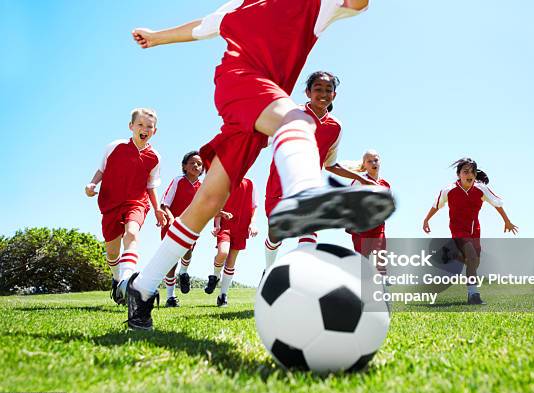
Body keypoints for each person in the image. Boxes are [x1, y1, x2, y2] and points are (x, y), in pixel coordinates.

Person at [126, 0, 395, 330]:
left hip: (262, 109)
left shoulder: (317, 5)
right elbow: (200, 28)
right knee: (297, 120)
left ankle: (142, 288)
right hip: (238, 81)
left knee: (208, 201)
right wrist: (156, 37)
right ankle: (306, 194)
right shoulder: (240, 5)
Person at [263, 71, 376, 268]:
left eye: (328, 90)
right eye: (318, 89)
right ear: (307, 92)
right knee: (275, 235)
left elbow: (330, 164)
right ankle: (268, 270)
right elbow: (264, 138)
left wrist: (362, 179)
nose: (323, 94)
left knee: (308, 238)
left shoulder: (336, 127)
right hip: (279, 187)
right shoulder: (292, 114)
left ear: (334, 95)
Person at [84, 108, 166, 305]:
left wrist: (156, 209)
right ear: (131, 127)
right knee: (112, 252)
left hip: (136, 203)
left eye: (149, 126)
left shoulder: (155, 157)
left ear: (154, 131)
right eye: (140, 125)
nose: (144, 129)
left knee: (132, 233)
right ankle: (116, 278)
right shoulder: (115, 146)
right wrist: (92, 184)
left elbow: (151, 185)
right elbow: (101, 170)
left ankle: (126, 280)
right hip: (110, 203)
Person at [422, 157, 518, 304]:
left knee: (474, 262)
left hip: (474, 230)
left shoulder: (481, 189)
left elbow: (497, 204)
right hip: (458, 230)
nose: (469, 174)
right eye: (465, 171)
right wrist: (426, 220)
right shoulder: (449, 190)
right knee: (472, 258)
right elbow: (436, 205)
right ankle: (473, 295)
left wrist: (507, 221)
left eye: (472, 171)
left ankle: (450, 253)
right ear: (459, 174)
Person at [205, 178, 258, 307]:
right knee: (223, 252)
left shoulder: (250, 184)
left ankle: (223, 296)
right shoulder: (225, 182)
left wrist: (252, 224)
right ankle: (215, 276)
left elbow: (254, 206)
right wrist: (217, 225)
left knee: (231, 262)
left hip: (242, 227)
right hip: (225, 226)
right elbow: (217, 205)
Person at [159, 151, 203, 307]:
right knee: (171, 260)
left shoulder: (202, 187)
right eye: (192, 163)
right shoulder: (178, 181)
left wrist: (221, 213)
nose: (196, 165)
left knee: (188, 250)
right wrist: (170, 219)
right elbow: (164, 204)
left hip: (191, 227)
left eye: (199, 164)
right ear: (184, 166)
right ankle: (170, 297)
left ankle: (183, 272)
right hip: (171, 226)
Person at [345, 150, 390, 272]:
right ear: (364, 165)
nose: (373, 163)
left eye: (375, 160)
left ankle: (382, 281)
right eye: (369, 161)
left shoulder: (385, 184)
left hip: (378, 226)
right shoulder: (359, 181)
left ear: (380, 162)